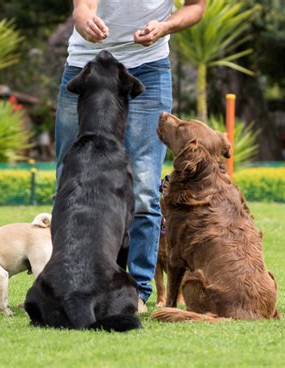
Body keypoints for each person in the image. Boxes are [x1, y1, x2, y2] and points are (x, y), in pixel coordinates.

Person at [54, 0, 206, 312]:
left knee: (146, 190)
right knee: (70, 181)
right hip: (86, 66)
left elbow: (196, 7)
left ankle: (136, 291)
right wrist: (83, 19)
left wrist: (165, 27)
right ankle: (70, 281)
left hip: (149, 69)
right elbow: (83, 6)